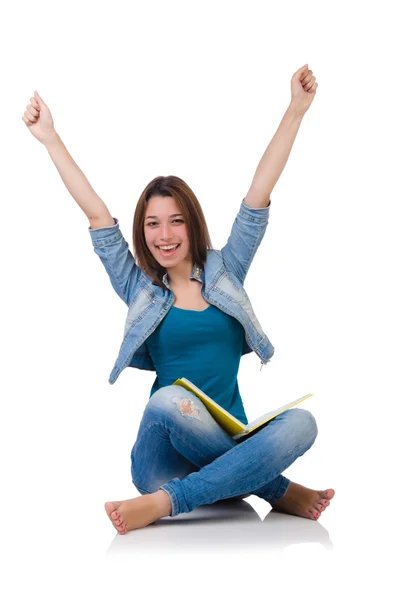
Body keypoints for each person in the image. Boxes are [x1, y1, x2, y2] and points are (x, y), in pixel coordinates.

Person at [22, 64, 334, 535]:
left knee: (303, 423)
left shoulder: (226, 272)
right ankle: (276, 489)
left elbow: (258, 194)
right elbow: (97, 214)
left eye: (175, 222)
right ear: (142, 231)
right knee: (169, 400)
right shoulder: (139, 287)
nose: (163, 236)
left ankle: (169, 504)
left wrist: (295, 110)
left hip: (226, 446)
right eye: (152, 224)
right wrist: (50, 138)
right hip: (161, 462)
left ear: (192, 224)